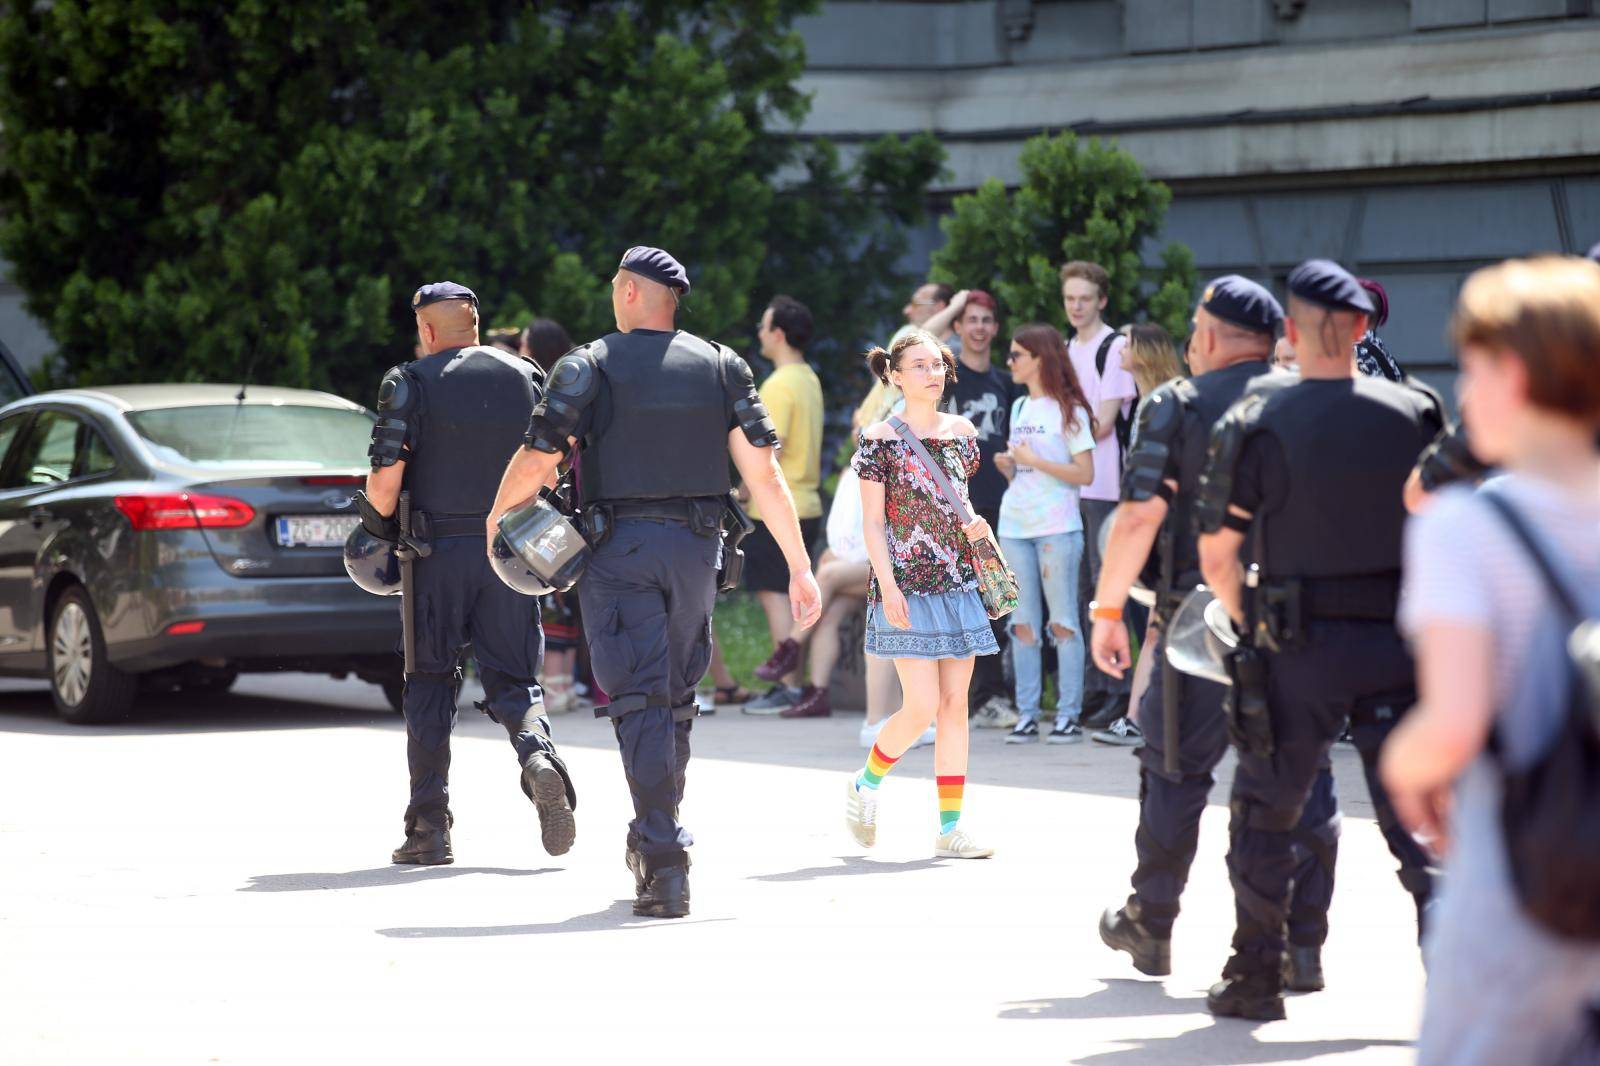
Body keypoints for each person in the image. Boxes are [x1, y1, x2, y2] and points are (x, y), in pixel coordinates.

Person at [489, 247, 821, 919]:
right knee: (673, 698)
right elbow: (763, 477)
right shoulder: (724, 366)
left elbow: (539, 456)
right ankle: (654, 836)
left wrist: (497, 517)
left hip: (618, 554)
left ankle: (665, 859)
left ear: (632, 292)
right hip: (698, 551)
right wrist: (799, 565)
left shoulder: (586, 365)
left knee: (640, 698)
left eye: (618, 285)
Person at [1194, 259, 1443, 1020]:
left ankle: (1257, 978)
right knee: (1424, 826)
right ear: (1364, 328)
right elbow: (1454, 531)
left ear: (1291, 334)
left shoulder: (1258, 416)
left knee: (1266, 813)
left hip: (1293, 647)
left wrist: (1250, 623)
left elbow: (1216, 555)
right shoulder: (1418, 411)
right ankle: (1459, 980)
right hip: (1397, 646)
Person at [1089, 277, 1340, 990]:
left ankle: (1153, 922)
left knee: (1173, 769)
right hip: (1296, 621)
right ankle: (1300, 944)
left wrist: (1108, 611)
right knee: (1303, 774)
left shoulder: (1177, 403)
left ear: (1208, 334)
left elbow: (1138, 516)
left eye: (1195, 328)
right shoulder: (1307, 397)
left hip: (1195, 617)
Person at [1382, 255, 1600, 1065]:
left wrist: (1405, 764)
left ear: (1513, 373)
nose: (1464, 396)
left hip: (1526, 886)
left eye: (1473, 370)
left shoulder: (1467, 526)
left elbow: (1455, 722)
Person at [360, 281, 575, 866]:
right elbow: (554, 469)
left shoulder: (409, 382)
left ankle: (429, 827)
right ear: (475, 324)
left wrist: (375, 532)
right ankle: (536, 756)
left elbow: (384, 486)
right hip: (508, 551)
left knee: (429, 681)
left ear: (427, 329)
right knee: (514, 678)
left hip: (433, 556)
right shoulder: (528, 374)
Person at [844, 328, 999, 859]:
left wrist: (974, 524)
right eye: (919, 366)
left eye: (938, 365)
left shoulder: (961, 431)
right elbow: (872, 523)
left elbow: (955, 500)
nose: (933, 374)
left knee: (956, 707)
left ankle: (950, 827)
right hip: (906, 585)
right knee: (923, 705)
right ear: (893, 373)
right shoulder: (879, 439)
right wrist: (886, 586)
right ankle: (865, 784)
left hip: (958, 582)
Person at [992, 324, 1096, 744]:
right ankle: (1028, 713)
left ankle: (1069, 714)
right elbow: (1026, 468)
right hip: (1016, 523)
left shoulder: (1070, 410)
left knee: (1064, 621)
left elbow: (1084, 473)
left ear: (1040, 358)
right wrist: (1012, 467)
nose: (1010, 362)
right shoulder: (1019, 408)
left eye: (1017, 355)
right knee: (1023, 623)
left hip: (1057, 526)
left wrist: (1036, 459)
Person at [1091, 323, 1185, 748]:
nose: (1119, 351)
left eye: (1126, 344)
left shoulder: (1164, 401)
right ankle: (1138, 716)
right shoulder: (1144, 400)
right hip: (1152, 520)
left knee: (1158, 625)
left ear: (1145, 350)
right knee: (1154, 626)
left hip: (1162, 524)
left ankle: (1140, 716)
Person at [1063, 260, 1141, 731]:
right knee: (1082, 590)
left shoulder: (1114, 348)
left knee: (1107, 587)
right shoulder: (1068, 346)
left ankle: (1119, 689)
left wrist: (1055, 447)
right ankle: (1097, 689)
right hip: (1071, 482)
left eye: (1085, 299)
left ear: (1101, 301)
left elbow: (1105, 422)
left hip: (1105, 484)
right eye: (1070, 298)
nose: (1076, 306)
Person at [740, 295, 826, 716]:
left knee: (776, 596)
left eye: (763, 326)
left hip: (776, 506)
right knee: (791, 593)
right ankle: (793, 685)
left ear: (777, 333)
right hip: (808, 500)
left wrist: (740, 491)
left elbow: (769, 448)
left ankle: (787, 688)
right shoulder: (808, 377)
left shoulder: (778, 384)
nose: (759, 333)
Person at [940, 290, 1020, 731]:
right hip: (956, 506)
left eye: (986, 320)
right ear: (958, 326)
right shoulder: (946, 379)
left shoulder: (1007, 382)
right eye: (971, 319)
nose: (979, 327)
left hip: (1000, 505)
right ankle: (961, 696)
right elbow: (914, 339)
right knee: (957, 600)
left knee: (995, 599)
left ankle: (991, 694)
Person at [853, 282, 966, 434]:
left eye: (915, 303)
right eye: (919, 365)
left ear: (939, 307)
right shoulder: (908, 331)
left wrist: (955, 306)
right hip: (882, 430)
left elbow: (922, 338)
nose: (906, 310)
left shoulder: (955, 350)